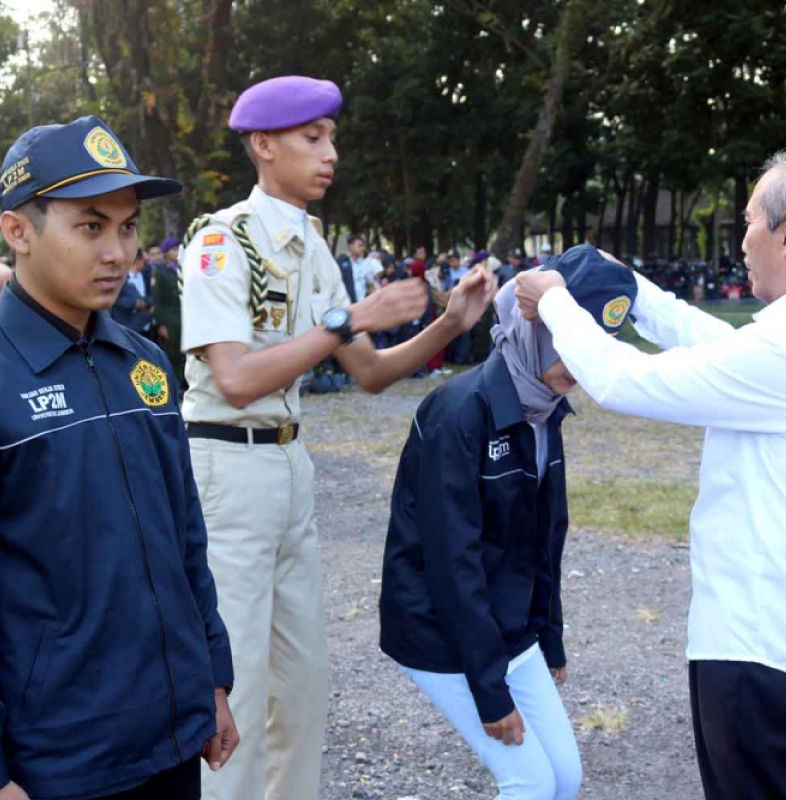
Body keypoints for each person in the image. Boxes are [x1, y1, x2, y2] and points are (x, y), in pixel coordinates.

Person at [516, 151, 786, 800]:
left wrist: (555, 303)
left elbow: (619, 379)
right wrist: (637, 295)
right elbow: (726, 354)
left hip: (762, 649)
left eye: (750, 221)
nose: (740, 238)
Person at [0, 115, 239, 800]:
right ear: (18, 232)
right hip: (61, 760)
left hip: (172, 736)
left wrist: (211, 677)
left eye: (128, 226)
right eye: (90, 226)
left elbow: (184, 536)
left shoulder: (143, 362)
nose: (117, 251)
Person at [178, 75, 496, 800]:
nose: (331, 155)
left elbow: (371, 373)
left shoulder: (311, 246)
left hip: (289, 464)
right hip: (227, 467)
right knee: (239, 688)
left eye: (332, 139)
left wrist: (449, 324)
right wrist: (349, 320)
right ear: (263, 146)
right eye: (312, 139)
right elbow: (233, 378)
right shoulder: (222, 241)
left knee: (305, 683)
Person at [381, 246, 635, 800]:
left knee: (565, 779)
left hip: (508, 627)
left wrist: (550, 637)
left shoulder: (546, 407)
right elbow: (453, 564)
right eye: (572, 337)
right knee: (531, 783)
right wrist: (490, 691)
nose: (583, 360)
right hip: (443, 630)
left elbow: (548, 537)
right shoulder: (459, 412)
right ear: (533, 325)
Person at [152, 236, 184, 384]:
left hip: (183, 317)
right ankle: (173, 386)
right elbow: (157, 300)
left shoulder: (183, 268)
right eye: (173, 249)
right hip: (169, 319)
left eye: (178, 248)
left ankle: (184, 384)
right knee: (171, 354)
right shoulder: (160, 272)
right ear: (165, 253)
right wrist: (161, 324)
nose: (177, 252)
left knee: (185, 352)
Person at [112, 247, 155, 337]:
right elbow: (114, 299)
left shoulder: (147, 275)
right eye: (143, 261)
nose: (145, 263)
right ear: (137, 261)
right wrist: (134, 303)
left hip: (147, 326)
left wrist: (146, 302)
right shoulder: (119, 278)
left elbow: (152, 295)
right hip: (127, 328)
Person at [346, 233, 382, 301]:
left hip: (361, 304)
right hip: (346, 304)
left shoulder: (366, 264)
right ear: (351, 246)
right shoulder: (343, 264)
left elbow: (370, 285)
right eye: (360, 246)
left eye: (363, 246)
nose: (363, 248)